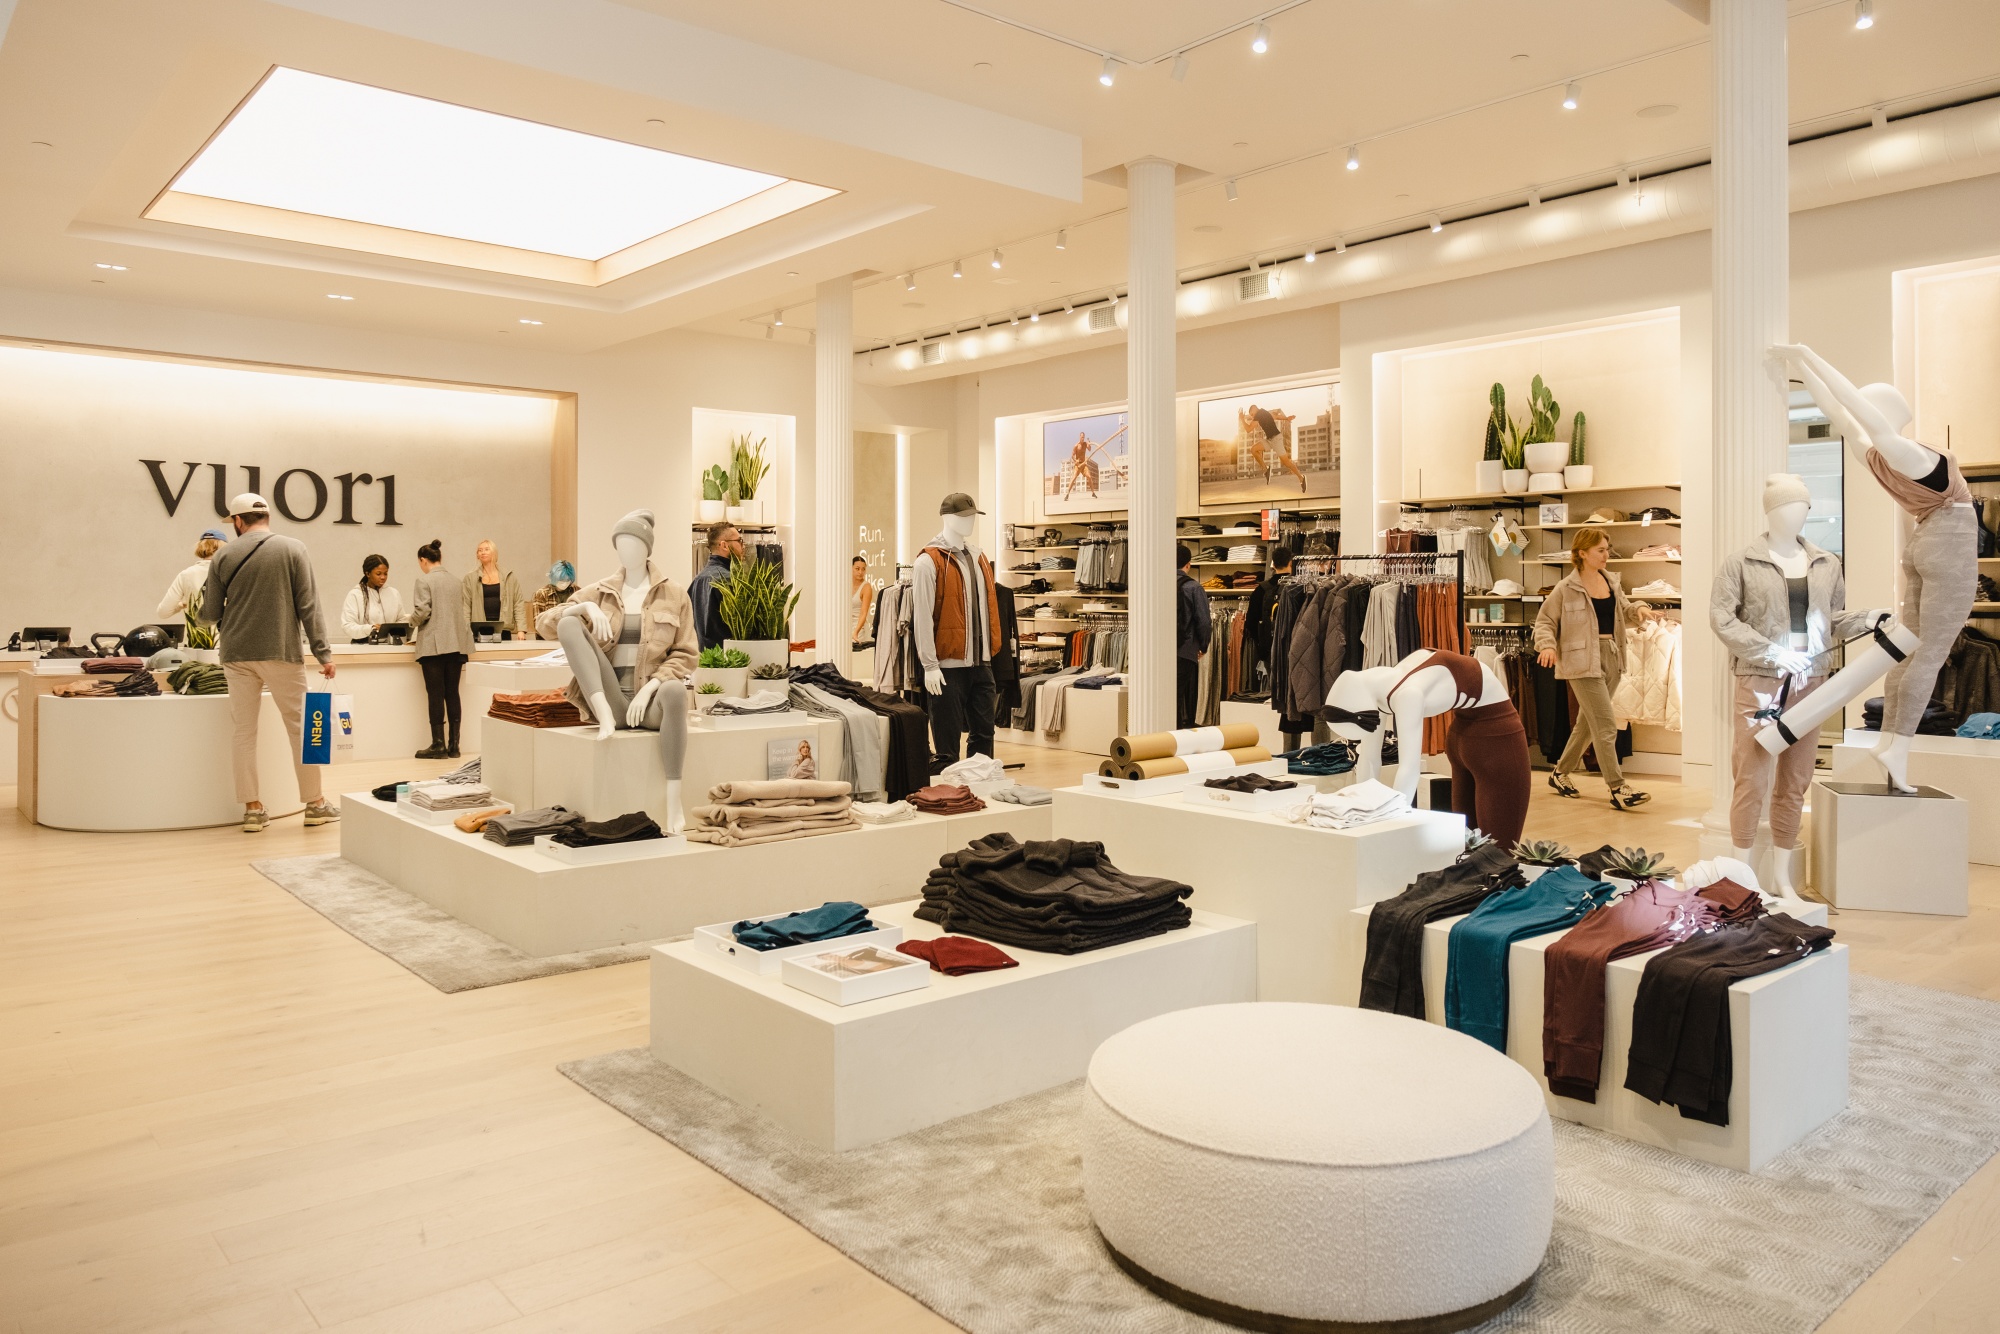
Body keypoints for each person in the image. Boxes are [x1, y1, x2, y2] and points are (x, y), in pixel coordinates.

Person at [196, 493, 339, 833]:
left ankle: (252, 809)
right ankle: (316, 804)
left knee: (244, 732)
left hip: (237, 655)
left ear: (238, 521)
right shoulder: (293, 549)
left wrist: (201, 611)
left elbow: (209, 614)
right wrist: (323, 653)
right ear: (266, 517)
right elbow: (309, 605)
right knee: (302, 729)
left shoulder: (223, 555)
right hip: (281, 651)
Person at [1534, 526, 1655, 811]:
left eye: (1606, 549)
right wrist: (1547, 646)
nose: (1606, 554)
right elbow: (1545, 622)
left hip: (1612, 655)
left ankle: (1560, 773)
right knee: (1604, 724)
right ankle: (1618, 787)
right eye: (1600, 550)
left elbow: (1623, 610)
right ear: (1582, 553)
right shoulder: (1566, 588)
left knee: (1587, 724)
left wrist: (1638, 609)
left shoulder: (1611, 581)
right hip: (1581, 661)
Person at [409, 538, 473, 759]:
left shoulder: (423, 581)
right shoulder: (457, 581)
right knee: (452, 693)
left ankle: (438, 745)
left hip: (433, 647)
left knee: (435, 694)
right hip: (456, 644)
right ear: (440, 558)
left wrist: (410, 623)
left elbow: (422, 612)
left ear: (423, 560)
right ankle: (454, 746)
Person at [687, 521, 746, 650]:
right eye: (739, 541)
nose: (743, 546)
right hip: (730, 660)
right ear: (724, 545)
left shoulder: (697, 580)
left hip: (705, 660)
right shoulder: (729, 580)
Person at [1175, 543, 1212, 729]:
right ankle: (1178, 735)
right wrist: (1203, 646)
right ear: (1188, 565)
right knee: (1182, 696)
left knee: (1166, 696)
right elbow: (1204, 621)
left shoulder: (1158, 584)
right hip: (1186, 649)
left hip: (1161, 651)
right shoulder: (1194, 587)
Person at [157, 528, 229, 620]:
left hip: (195, 634)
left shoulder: (185, 575)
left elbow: (163, 612)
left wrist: (179, 606)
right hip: (226, 633)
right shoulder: (229, 573)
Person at [462, 539, 522, 637]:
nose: (483, 552)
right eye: (480, 550)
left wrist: (521, 630)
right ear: (477, 555)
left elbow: (518, 604)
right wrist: (466, 629)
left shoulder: (509, 576)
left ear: (494, 552)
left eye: (486, 549)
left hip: (503, 628)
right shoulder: (470, 578)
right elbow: (466, 606)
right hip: (479, 629)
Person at [339, 555, 405, 641]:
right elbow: (347, 625)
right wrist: (371, 628)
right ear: (368, 574)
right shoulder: (355, 594)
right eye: (378, 574)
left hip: (389, 647)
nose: (383, 577)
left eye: (385, 573)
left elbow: (401, 619)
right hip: (362, 646)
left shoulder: (394, 593)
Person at [1243, 403, 1306, 493]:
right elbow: (1275, 416)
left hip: (1276, 439)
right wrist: (1286, 418)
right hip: (1269, 440)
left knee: (1287, 463)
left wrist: (1241, 418)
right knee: (1253, 449)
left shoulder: (1259, 414)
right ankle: (1266, 469)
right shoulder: (1265, 412)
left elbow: (1248, 429)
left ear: (1254, 409)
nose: (1253, 417)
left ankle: (1301, 478)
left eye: (1252, 415)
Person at [525, 561, 578, 636]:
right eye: (561, 581)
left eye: (567, 581)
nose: (564, 584)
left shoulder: (577, 591)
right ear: (554, 578)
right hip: (546, 638)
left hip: (571, 635)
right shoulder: (542, 594)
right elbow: (538, 623)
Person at [851, 555, 875, 647]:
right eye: (857, 569)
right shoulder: (845, 584)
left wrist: (856, 632)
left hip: (858, 628)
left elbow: (863, 613)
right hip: (844, 627)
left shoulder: (866, 587)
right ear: (851, 568)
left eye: (863, 569)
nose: (860, 572)